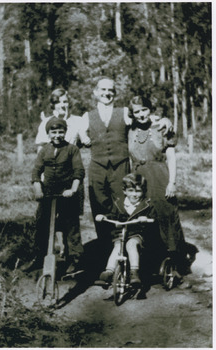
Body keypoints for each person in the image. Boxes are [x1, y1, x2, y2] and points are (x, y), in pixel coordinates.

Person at [80, 77, 173, 257]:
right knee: (100, 209)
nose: (107, 93)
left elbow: (144, 117)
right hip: (97, 168)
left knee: (125, 207)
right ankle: (106, 253)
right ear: (95, 93)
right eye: (103, 90)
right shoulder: (86, 116)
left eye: (110, 90)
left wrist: (165, 120)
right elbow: (75, 133)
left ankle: (128, 252)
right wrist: (82, 136)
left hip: (120, 167)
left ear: (114, 93)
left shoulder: (123, 112)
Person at [128, 95, 198, 274]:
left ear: (150, 109)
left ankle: (177, 262)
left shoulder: (162, 127)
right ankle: (152, 261)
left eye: (144, 110)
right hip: (139, 180)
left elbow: (172, 157)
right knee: (144, 217)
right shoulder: (130, 130)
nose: (141, 114)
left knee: (166, 216)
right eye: (137, 112)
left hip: (159, 177)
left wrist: (172, 183)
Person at [25, 117, 85, 273]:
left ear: (65, 132)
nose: (57, 135)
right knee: (41, 224)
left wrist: (72, 189)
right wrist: (38, 189)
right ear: (48, 134)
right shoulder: (45, 150)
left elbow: (79, 171)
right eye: (53, 132)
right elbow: (36, 172)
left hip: (66, 193)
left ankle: (75, 260)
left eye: (60, 132)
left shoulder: (72, 149)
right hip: (48, 193)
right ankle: (39, 257)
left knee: (70, 226)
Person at [96, 173, 158, 286]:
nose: (134, 194)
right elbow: (112, 215)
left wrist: (146, 218)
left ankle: (134, 272)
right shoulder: (119, 203)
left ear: (143, 191)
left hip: (138, 234)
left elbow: (154, 218)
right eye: (131, 190)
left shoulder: (147, 205)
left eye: (138, 191)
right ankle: (109, 271)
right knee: (118, 247)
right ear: (125, 191)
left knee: (131, 244)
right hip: (121, 233)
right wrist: (104, 217)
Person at [35, 87, 90, 152]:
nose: (62, 105)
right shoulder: (46, 122)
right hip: (51, 160)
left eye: (65, 102)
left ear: (69, 103)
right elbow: (40, 149)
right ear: (53, 105)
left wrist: (85, 139)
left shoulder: (78, 121)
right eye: (58, 102)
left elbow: (85, 142)